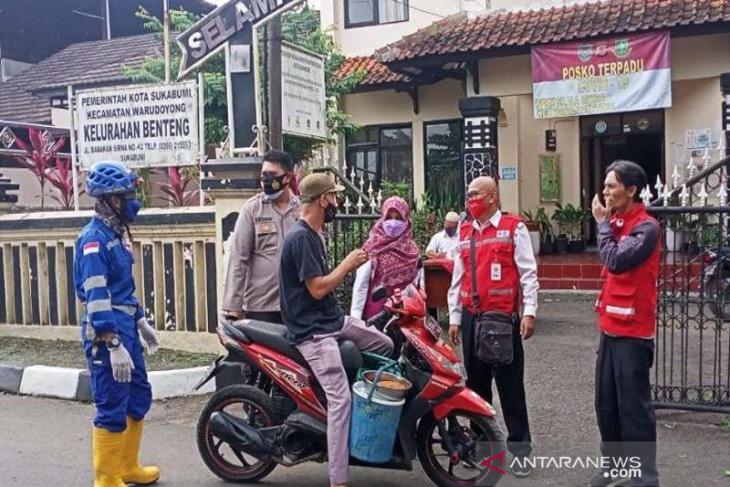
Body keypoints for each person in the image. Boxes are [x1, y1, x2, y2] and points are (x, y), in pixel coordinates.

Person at [279, 173, 394, 487]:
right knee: (340, 400)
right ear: (321, 200)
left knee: (384, 345)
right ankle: (338, 480)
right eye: (334, 197)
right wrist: (348, 264)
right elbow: (317, 289)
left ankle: (367, 407)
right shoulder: (301, 238)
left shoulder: (315, 233)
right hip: (313, 332)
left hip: (331, 321)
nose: (337, 203)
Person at [74, 161, 160, 487]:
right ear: (109, 199)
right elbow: (96, 295)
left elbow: (123, 288)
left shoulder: (115, 236)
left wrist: (140, 321)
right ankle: (107, 478)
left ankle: (127, 466)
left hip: (125, 324)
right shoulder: (93, 240)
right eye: (126, 196)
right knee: (111, 403)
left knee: (138, 395)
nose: (132, 202)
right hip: (105, 330)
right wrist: (111, 342)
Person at [447, 176, 538, 478]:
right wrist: (455, 318)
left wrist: (529, 313)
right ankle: (483, 450)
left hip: (503, 320)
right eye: (468, 194)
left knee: (511, 389)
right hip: (474, 319)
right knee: (476, 388)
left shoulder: (514, 228)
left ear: (492, 197)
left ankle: (521, 451)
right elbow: (457, 279)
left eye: (474, 194)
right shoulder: (464, 231)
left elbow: (528, 273)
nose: (469, 199)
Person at [589, 160, 660, 487]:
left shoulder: (646, 228)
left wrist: (602, 225)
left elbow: (616, 261)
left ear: (631, 190)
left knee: (634, 410)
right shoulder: (617, 224)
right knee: (606, 405)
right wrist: (607, 225)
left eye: (611, 186)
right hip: (610, 330)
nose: (605, 192)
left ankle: (644, 477)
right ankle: (614, 466)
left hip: (633, 334)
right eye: (604, 187)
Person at [222, 150, 300, 323]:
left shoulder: (301, 211)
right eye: (264, 174)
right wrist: (233, 308)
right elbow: (238, 259)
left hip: (296, 304)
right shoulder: (252, 209)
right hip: (260, 307)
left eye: (272, 174)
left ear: (287, 177)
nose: (266, 180)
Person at [350, 196, 421, 320]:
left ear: (406, 220)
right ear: (382, 218)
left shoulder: (413, 251)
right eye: (389, 218)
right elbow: (361, 286)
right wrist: (355, 319)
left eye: (399, 218)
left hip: (407, 315)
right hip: (377, 318)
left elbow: (419, 285)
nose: (393, 223)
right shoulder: (372, 248)